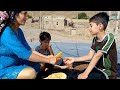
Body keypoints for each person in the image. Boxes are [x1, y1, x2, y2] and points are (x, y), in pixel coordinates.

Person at [0, 11, 57, 79]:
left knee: (41, 64)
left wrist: (47, 58)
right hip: (5, 68)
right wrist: (48, 60)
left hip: (18, 62)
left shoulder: (19, 31)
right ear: (14, 15)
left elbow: (29, 50)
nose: (27, 16)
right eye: (24, 13)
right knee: (30, 73)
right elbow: (25, 54)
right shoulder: (7, 33)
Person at [64, 12, 118, 79]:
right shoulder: (95, 40)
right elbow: (89, 56)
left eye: (91, 25)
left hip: (108, 73)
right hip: (97, 69)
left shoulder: (109, 37)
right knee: (74, 74)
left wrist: (85, 74)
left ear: (100, 26)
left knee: (86, 76)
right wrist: (74, 59)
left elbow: (97, 56)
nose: (89, 28)